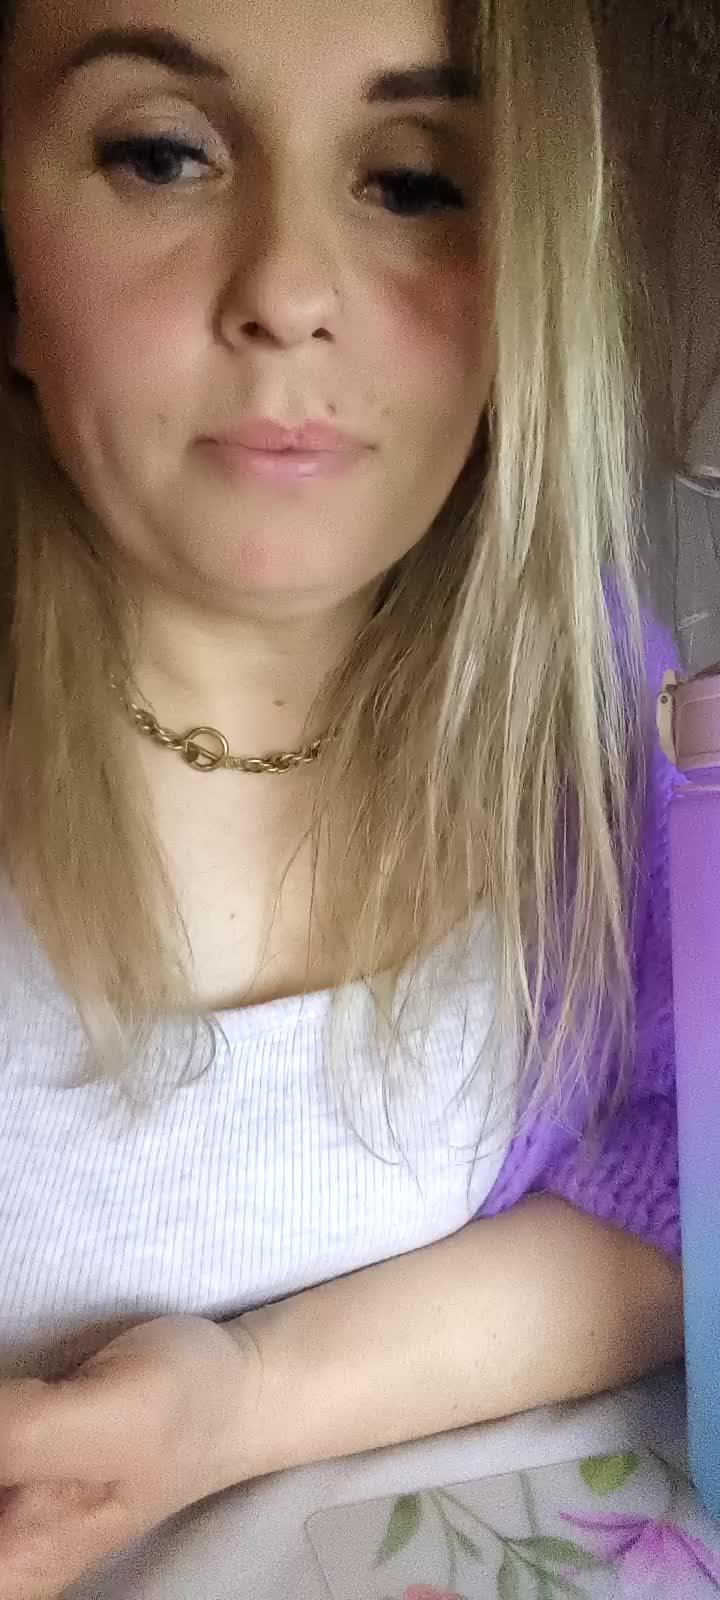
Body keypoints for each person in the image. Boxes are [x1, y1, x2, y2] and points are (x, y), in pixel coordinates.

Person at [0, 0, 683, 1593]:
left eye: (413, 181)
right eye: (162, 154)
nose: (291, 291)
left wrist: (236, 1403)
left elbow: (674, 1183)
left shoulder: (584, 704)